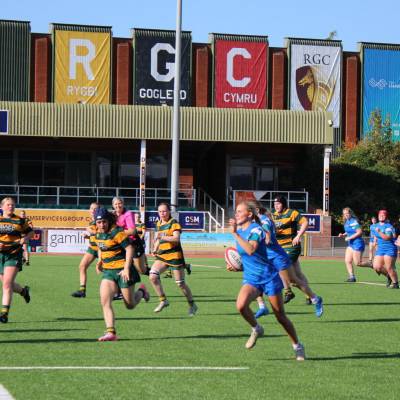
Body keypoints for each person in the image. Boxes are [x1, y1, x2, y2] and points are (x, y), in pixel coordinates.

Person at [229, 201, 305, 360]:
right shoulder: (240, 231)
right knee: (241, 306)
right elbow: (246, 258)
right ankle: (256, 328)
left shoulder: (256, 229)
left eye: (239, 211)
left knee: (280, 317)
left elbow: (251, 250)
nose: (236, 214)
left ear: (249, 214)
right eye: (236, 211)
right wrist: (236, 265)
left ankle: (297, 346)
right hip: (252, 279)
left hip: (269, 277)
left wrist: (235, 234)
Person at [255, 202, 323, 318]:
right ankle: (262, 306)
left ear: (255, 210)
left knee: (293, 279)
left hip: (278, 255)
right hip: (266, 255)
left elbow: (266, 229)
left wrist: (267, 237)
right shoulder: (254, 222)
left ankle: (315, 298)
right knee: (256, 279)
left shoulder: (264, 219)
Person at [92, 207, 150, 341]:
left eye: (104, 222)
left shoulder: (117, 232)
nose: (102, 225)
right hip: (108, 273)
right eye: (99, 222)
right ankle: (111, 333)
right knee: (105, 301)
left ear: (108, 221)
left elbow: (130, 248)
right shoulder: (97, 233)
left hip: (123, 271)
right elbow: (101, 248)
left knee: (130, 305)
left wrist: (126, 268)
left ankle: (142, 291)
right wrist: (100, 261)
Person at [272, 196, 323, 310]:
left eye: (278, 204)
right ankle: (309, 296)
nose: (276, 206)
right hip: (280, 248)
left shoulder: (292, 213)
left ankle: (288, 292)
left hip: (291, 246)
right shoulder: (273, 215)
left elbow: (305, 222)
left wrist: (299, 235)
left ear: (283, 204)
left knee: (284, 270)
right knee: (298, 274)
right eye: (275, 204)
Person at [149, 202, 197, 315]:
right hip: (162, 255)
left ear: (169, 211)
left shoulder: (174, 223)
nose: (162, 213)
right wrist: (155, 248)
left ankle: (192, 305)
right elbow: (158, 239)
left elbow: (176, 239)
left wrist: (163, 237)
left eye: (164, 211)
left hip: (175, 255)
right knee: (153, 276)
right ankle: (163, 300)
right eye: (160, 211)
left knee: (180, 283)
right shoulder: (159, 223)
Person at [0, 197, 34, 323]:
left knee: (7, 284)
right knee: (6, 283)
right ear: (2, 207)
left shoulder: (20, 221)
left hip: (14, 254)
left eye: (13, 205)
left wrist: (25, 239)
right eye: (8, 205)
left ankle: (4, 313)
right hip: (0, 255)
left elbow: (31, 232)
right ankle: (24, 291)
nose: (11, 207)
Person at [112, 197, 148, 275]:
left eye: (119, 203)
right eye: (115, 204)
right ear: (113, 205)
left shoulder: (128, 214)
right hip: (123, 244)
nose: (118, 205)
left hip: (134, 243)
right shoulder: (113, 215)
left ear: (123, 204)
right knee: (124, 267)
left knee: (142, 270)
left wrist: (117, 233)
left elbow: (132, 231)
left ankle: (154, 275)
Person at [71, 202, 100, 298]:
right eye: (91, 208)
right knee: (82, 266)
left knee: (108, 271)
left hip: (102, 248)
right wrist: (88, 236)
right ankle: (82, 291)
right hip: (92, 248)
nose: (93, 210)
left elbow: (102, 235)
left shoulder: (100, 220)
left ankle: (121, 289)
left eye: (95, 209)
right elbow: (94, 236)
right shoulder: (91, 221)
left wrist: (91, 231)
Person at [339, 207, 367, 282]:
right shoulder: (346, 222)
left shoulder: (354, 221)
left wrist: (349, 238)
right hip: (351, 244)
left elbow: (359, 232)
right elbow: (349, 231)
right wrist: (343, 235)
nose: (346, 215)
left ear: (350, 213)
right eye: (344, 214)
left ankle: (372, 264)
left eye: (347, 213)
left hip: (357, 243)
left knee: (358, 263)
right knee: (347, 260)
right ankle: (352, 277)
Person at [372, 210, 398, 289]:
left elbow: (387, 238)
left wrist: (379, 232)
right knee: (376, 267)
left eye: (383, 215)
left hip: (390, 248)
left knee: (389, 267)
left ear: (386, 216)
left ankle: (395, 284)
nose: (381, 216)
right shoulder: (373, 226)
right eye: (380, 215)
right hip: (380, 249)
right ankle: (389, 276)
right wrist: (375, 242)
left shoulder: (389, 226)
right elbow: (375, 235)